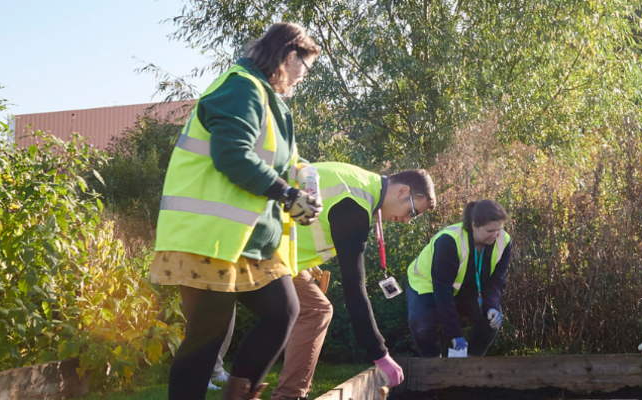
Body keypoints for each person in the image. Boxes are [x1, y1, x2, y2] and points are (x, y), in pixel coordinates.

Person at [150, 22, 323, 400]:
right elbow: (232, 155)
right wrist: (286, 194)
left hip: (245, 239)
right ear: (290, 57)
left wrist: (305, 181)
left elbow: (286, 160)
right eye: (305, 69)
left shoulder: (267, 99)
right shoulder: (239, 87)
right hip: (208, 236)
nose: (303, 79)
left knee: (283, 313)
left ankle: (238, 395)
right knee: (205, 339)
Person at [269, 162, 435, 400]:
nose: (408, 221)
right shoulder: (357, 205)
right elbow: (354, 291)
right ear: (403, 191)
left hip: (275, 245)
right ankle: (285, 395)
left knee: (316, 310)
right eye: (413, 212)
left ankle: (287, 394)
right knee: (308, 312)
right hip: (265, 246)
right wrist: (381, 355)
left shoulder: (361, 182)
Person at [405, 200, 512, 358]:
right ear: (474, 225)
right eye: (490, 230)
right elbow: (443, 292)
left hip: (464, 288)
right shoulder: (449, 241)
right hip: (427, 285)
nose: (495, 235)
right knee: (422, 327)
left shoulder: (504, 241)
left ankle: (471, 364)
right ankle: (432, 366)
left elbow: (496, 281)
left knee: (491, 320)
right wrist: (455, 335)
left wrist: (492, 306)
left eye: (499, 229)